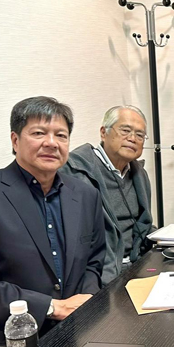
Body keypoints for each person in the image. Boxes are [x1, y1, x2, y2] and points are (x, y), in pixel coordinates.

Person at [0, 97, 106, 345]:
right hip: (0, 342)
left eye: (61, 135)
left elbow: (93, 260)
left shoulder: (86, 195)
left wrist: (86, 299)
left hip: (71, 333)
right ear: (15, 140)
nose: (51, 143)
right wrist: (52, 308)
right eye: (39, 133)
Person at [61, 106, 153, 284]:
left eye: (140, 135)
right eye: (125, 131)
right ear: (104, 133)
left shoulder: (138, 173)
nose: (132, 139)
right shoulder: (75, 172)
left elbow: (141, 226)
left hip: (137, 265)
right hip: (101, 275)